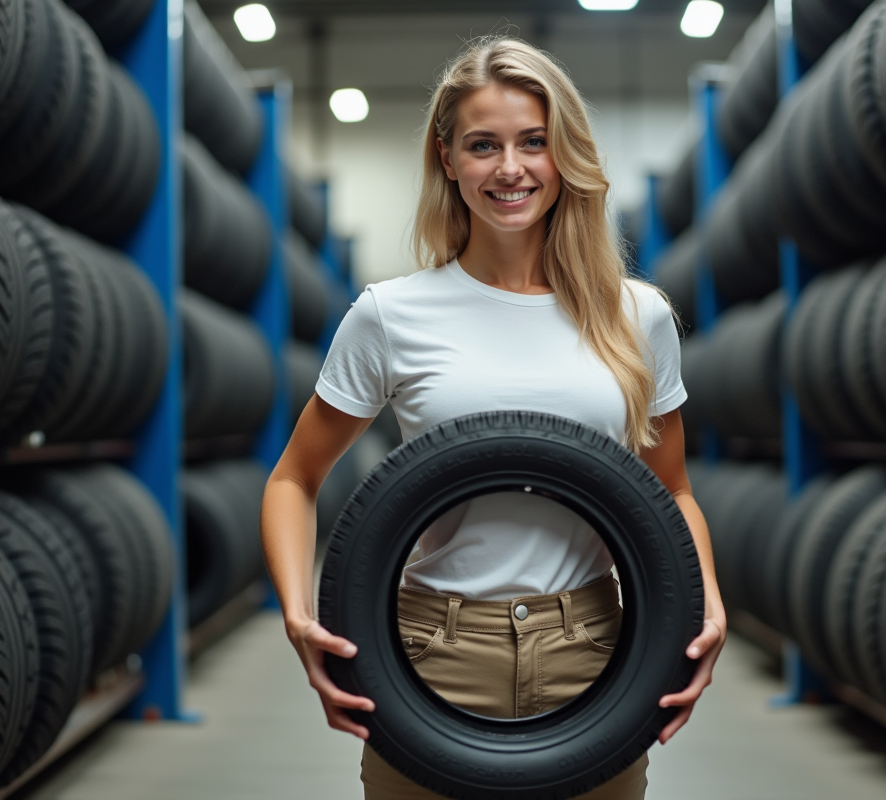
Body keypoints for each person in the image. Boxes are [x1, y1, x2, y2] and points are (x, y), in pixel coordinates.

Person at [260, 35, 727, 800]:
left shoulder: (636, 317)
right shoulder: (391, 314)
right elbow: (294, 478)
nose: (509, 169)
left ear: (564, 154)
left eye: (533, 143)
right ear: (448, 159)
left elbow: (670, 490)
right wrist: (297, 616)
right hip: (429, 646)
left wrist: (707, 605)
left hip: (592, 644)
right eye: (483, 145)